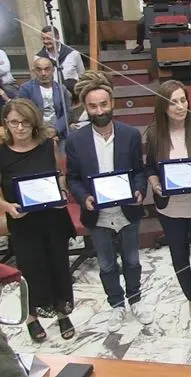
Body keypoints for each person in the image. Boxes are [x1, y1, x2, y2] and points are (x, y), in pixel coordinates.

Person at [66, 71, 153, 332]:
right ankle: (116, 305)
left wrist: (139, 190)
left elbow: (139, 171)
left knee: (132, 261)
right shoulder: (75, 140)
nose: (99, 110)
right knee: (106, 265)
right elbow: (72, 179)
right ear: (86, 107)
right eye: (93, 106)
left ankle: (135, 300)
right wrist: (84, 197)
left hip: (126, 210)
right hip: (97, 214)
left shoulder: (130, 135)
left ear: (112, 103)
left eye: (103, 104)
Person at [0, 99, 75, 341]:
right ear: (6, 124)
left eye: (25, 122)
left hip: (53, 218)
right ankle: (32, 317)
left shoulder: (46, 144)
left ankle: (63, 313)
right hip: (23, 222)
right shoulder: (1, 151)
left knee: (59, 267)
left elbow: (59, 174)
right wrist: (7, 207)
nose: (20, 128)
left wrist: (62, 191)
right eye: (14, 122)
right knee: (32, 271)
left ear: (34, 123)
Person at [145, 80, 191, 321]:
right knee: (179, 256)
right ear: (163, 106)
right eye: (173, 102)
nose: (180, 106)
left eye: (183, 100)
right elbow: (149, 167)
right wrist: (154, 184)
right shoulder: (154, 133)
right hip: (169, 208)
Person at [18, 58, 72, 144]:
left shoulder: (62, 89)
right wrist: (42, 130)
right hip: (35, 133)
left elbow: (67, 113)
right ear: (34, 71)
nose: (43, 73)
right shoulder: (26, 89)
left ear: (53, 70)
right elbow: (22, 113)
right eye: (39, 70)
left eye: (47, 69)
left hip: (59, 133)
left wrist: (55, 129)